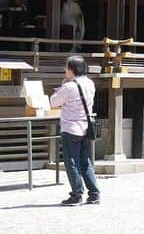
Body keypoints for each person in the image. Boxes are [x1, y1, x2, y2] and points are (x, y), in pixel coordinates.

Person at [50, 55, 99, 205]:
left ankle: (77, 194)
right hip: (86, 127)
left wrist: (64, 84)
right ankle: (94, 193)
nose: (65, 70)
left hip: (71, 128)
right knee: (86, 161)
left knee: (72, 162)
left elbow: (53, 102)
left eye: (66, 67)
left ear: (71, 69)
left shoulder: (69, 86)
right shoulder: (90, 83)